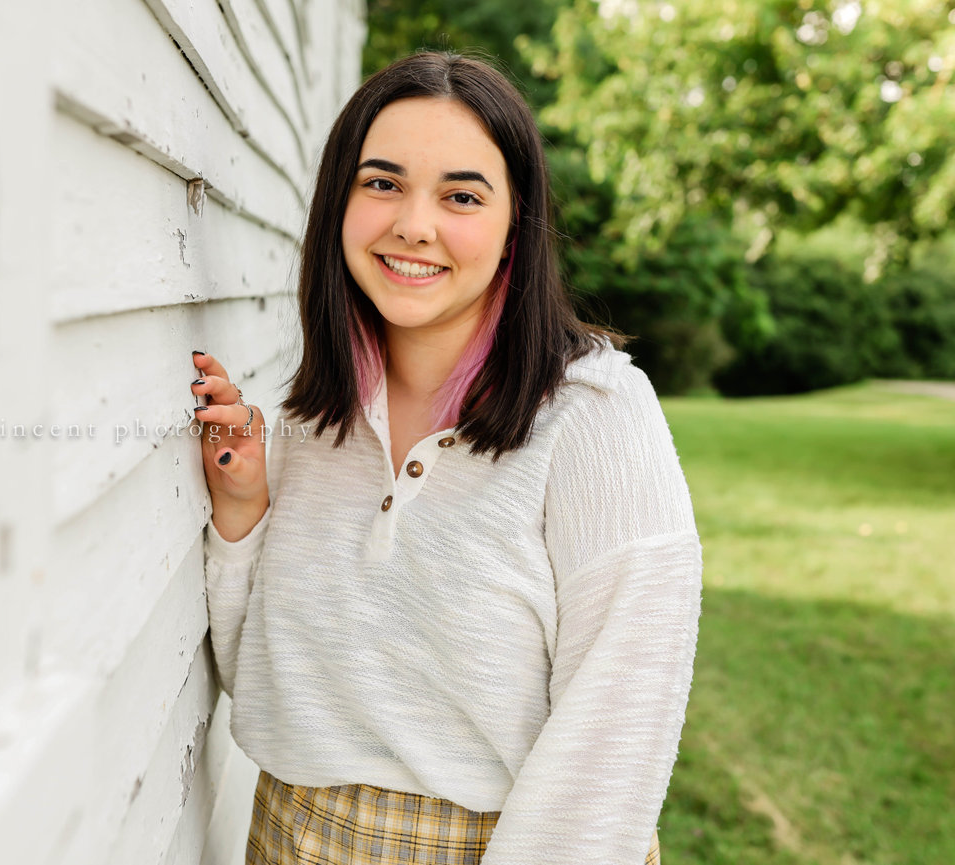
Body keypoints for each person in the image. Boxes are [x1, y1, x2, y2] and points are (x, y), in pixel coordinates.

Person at [190, 52, 702, 865]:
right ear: (338, 204)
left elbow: (620, 720)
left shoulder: (593, 414)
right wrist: (246, 513)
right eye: (381, 183)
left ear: (514, 227)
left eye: (460, 195)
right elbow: (261, 676)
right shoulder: (309, 420)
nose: (413, 225)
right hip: (287, 836)